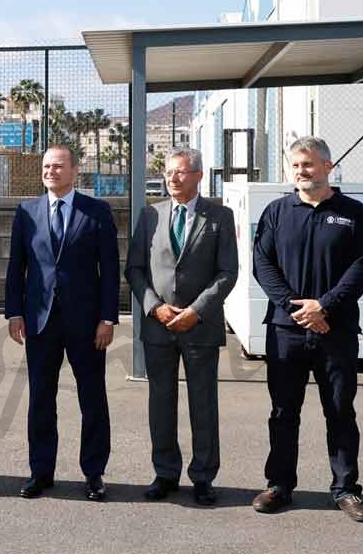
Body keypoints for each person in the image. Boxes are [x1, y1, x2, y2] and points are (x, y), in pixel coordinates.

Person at [251, 136, 363, 523]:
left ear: (328, 166)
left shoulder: (353, 212)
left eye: (308, 164)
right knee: (283, 410)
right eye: (295, 166)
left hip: (335, 331)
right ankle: (280, 485)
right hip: (286, 331)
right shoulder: (276, 212)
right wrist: (298, 309)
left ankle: (345, 489)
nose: (301, 172)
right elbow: (263, 265)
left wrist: (324, 306)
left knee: (339, 409)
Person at [5, 145, 119, 501]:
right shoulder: (27, 212)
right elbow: (16, 268)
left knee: (92, 398)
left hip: (87, 323)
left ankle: (95, 473)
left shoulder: (97, 211)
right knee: (40, 397)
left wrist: (108, 318)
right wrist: (14, 312)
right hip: (40, 321)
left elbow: (111, 270)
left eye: (57, 166)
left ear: (74, 170)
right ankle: (40, 472)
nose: (50, 171)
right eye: (46, 166)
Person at [125, 147, 238, 506]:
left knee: (203, 403)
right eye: (168, 172)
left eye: (180, 172)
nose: (172, 178)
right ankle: (165, 473)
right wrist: (154, 308)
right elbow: (135, 269)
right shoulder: (149, 216)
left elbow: (227, 272)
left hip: (199, 326)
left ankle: (203, 477)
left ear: (199, 176)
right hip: (159, 326)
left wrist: (196, 311)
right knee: (161, 402)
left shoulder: (220, 216)